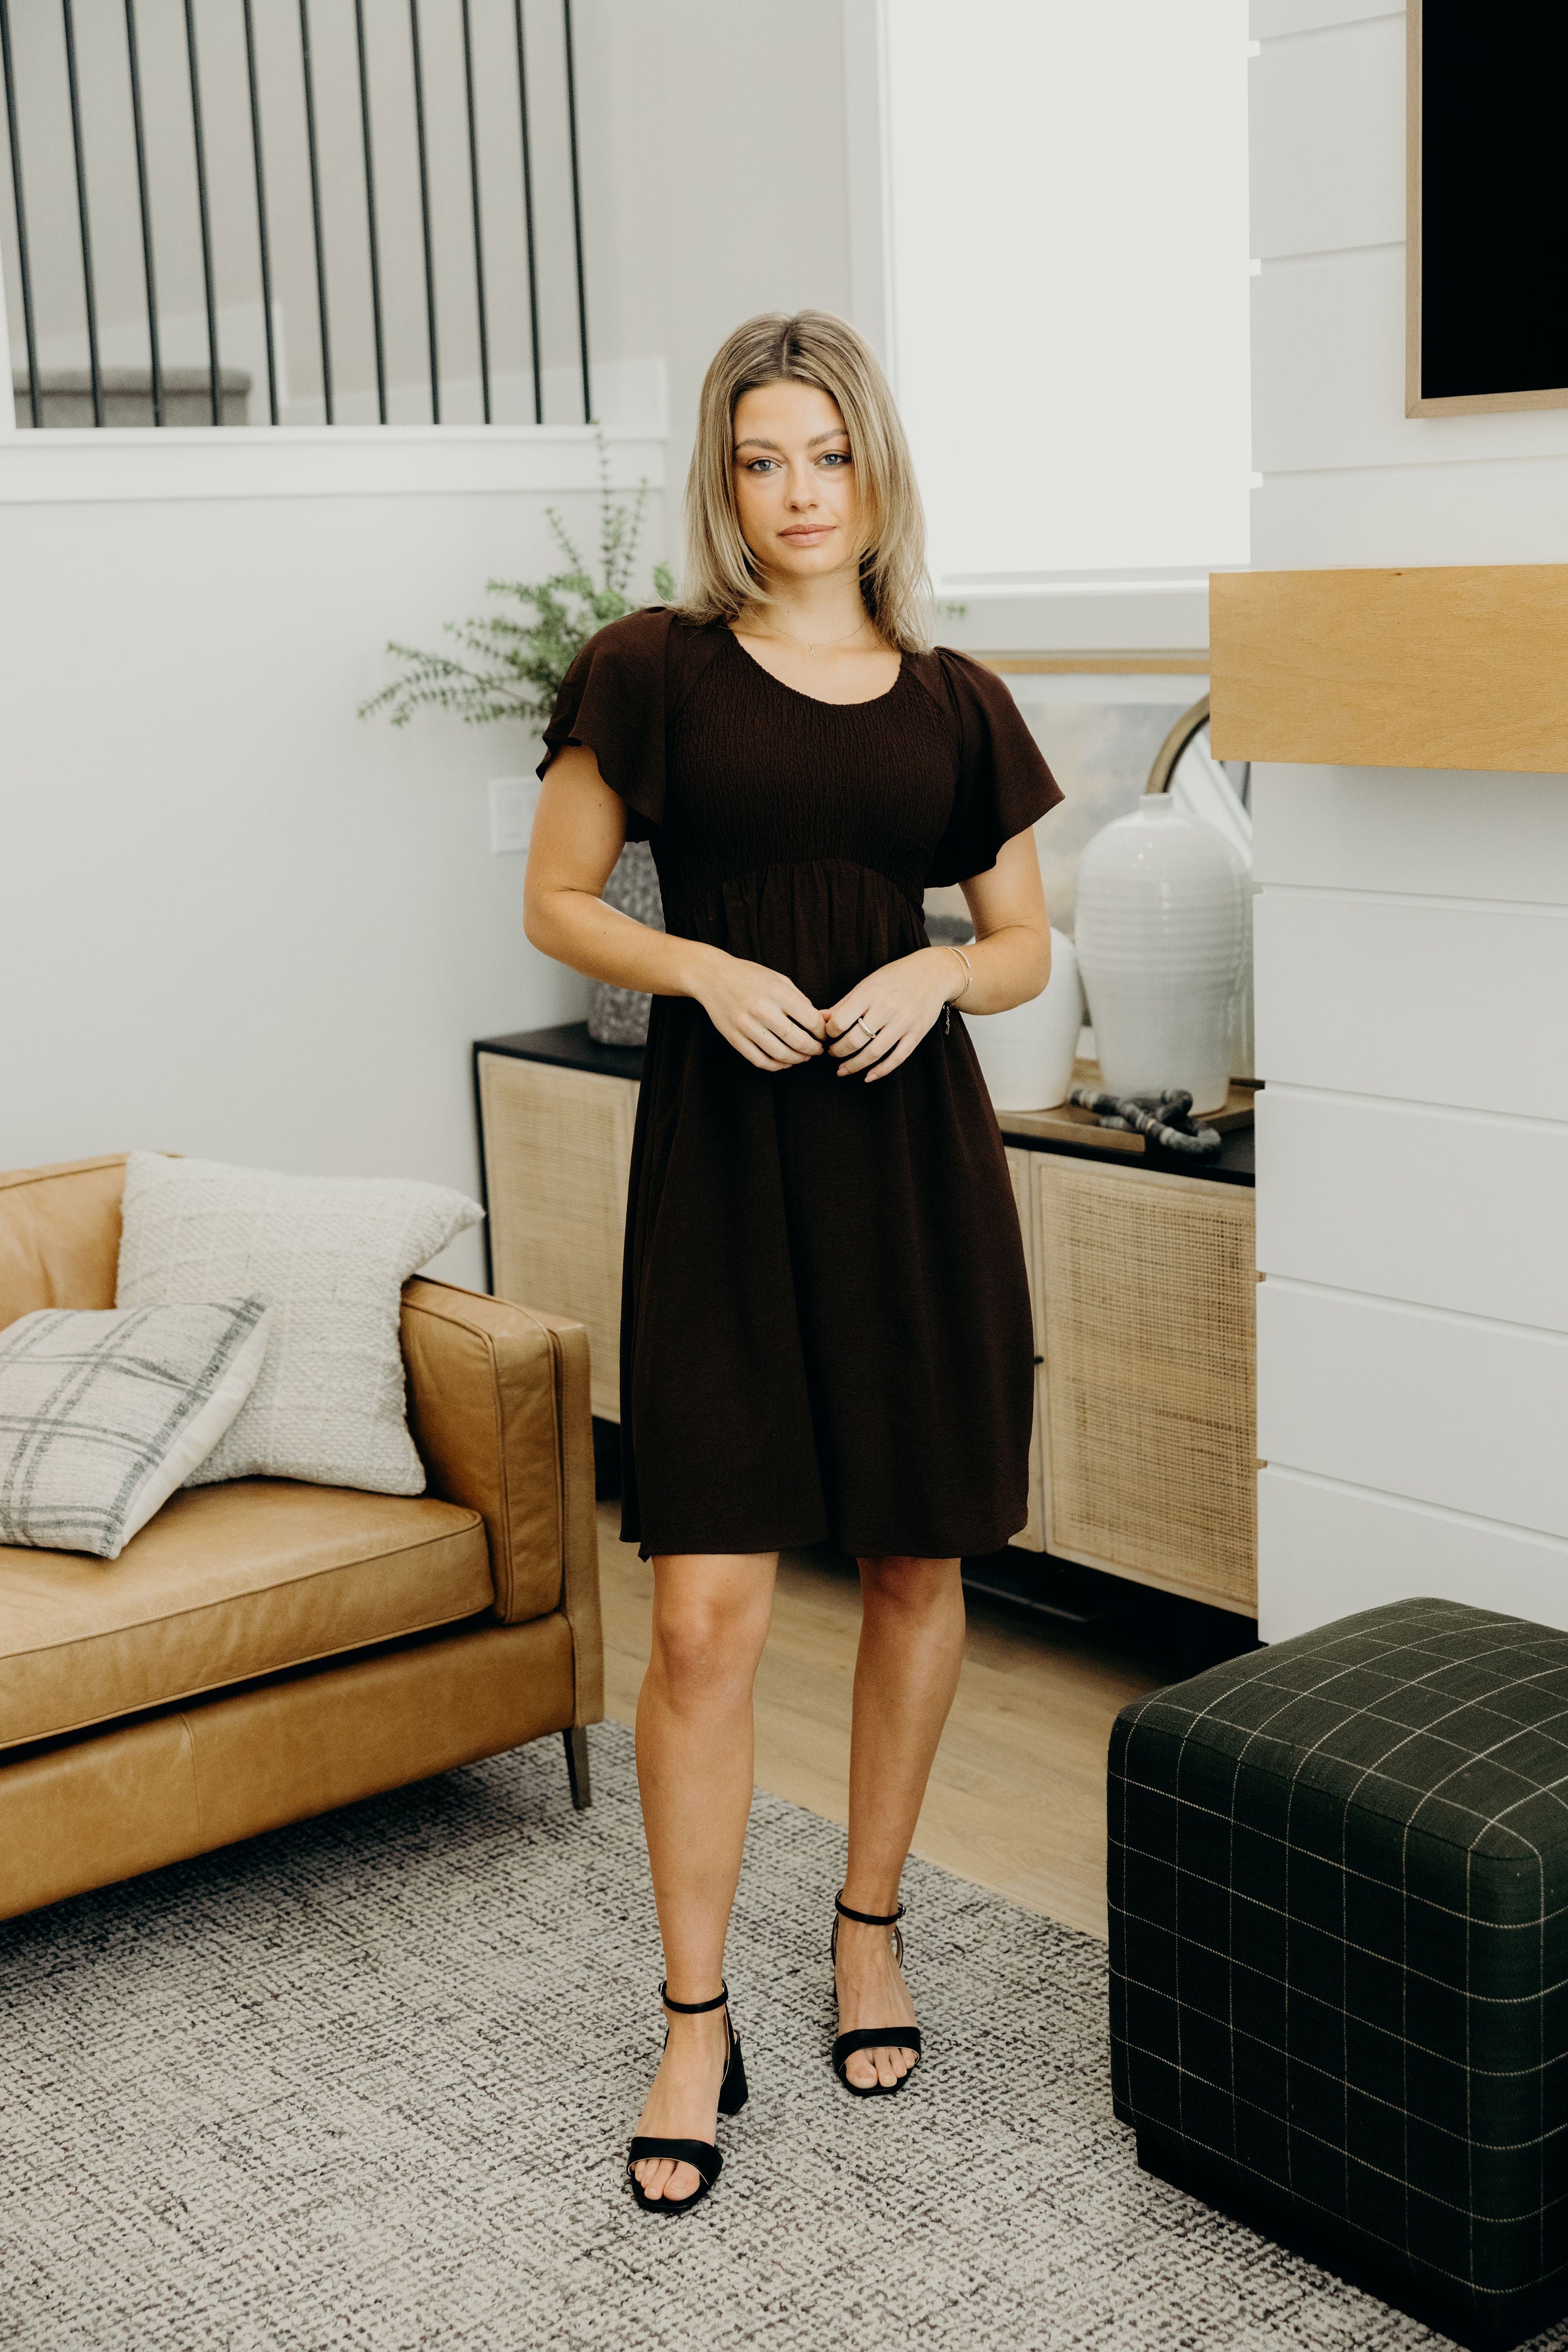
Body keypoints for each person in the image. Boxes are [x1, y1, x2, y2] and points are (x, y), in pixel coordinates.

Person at [524, 310, 1062, 2215]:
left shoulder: (954, 697)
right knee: (702, 1613)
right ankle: (694, 2019)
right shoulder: (650, 670)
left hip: (912, 1166)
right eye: (761, 460)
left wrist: (939, 970)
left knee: (918, 1556)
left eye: (826, 455)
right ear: (724, 481)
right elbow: (559, 898)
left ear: (873, 469)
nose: (798, 492)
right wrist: (700, 965)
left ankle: (867, 1924)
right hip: (727, 1170)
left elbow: (1025, 942)